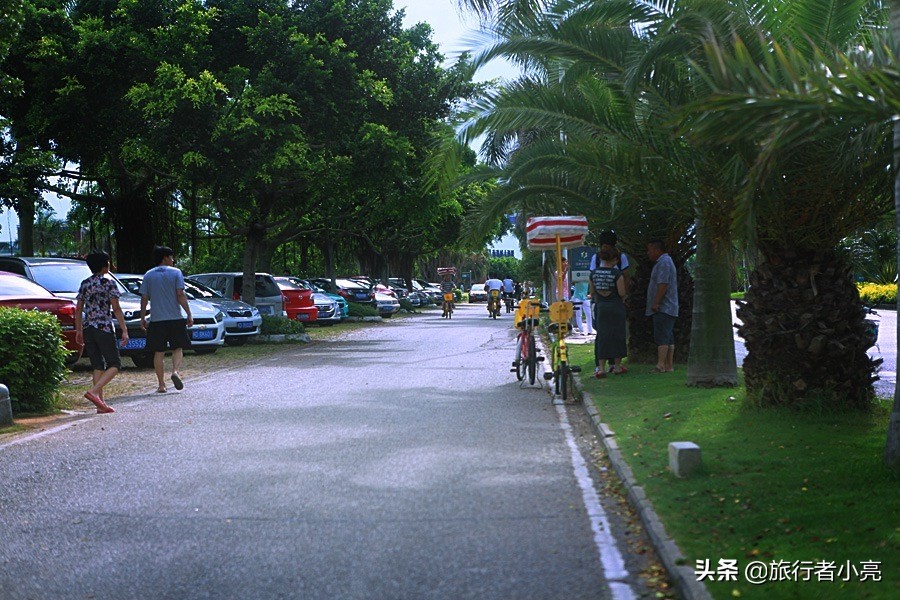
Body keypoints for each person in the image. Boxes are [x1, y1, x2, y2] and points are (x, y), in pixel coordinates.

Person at [75, 250, 128, 413]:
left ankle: (100, 404)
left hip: (88, 328)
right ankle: (94, 392)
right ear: (105, 264)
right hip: (104, 327)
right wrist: (124, 330)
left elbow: (78, 309)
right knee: (115, 364)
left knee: (98, 365)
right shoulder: (108, 283)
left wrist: (78, 330)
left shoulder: (85, 283)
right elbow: (116, 309)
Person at [140, 246, 194, 393]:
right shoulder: (176, 273)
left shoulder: (148, 275)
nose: (173, 260)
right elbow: (180, 294)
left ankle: (161, 385)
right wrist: (188, 313)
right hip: (175, 317)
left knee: (159, 352)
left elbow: (144, 298)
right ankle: (175, 371)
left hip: (157, 319)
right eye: (171, 257)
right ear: (165, 257)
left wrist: (142, 317)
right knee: (177, 347)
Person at [590, 246, 628, 377]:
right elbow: (622, 292)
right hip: (616, 307)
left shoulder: (593, 274)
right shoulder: (617, 274)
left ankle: (601, 368)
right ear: (615, 259)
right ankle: (617, 366)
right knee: (617, 335)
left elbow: (592, 292)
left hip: (601, 307)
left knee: (602, 336)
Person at [645, 239, 678, 373]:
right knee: (668, 337)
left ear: (657, 249)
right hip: (669, 307)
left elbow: (662, 284)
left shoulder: (664, 263)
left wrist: (656, 302)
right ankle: (669, 365)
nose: (648, 253)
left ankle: (660, 365)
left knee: (662, 336)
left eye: (649, 250)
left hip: (664, 307)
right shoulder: (665, 262)